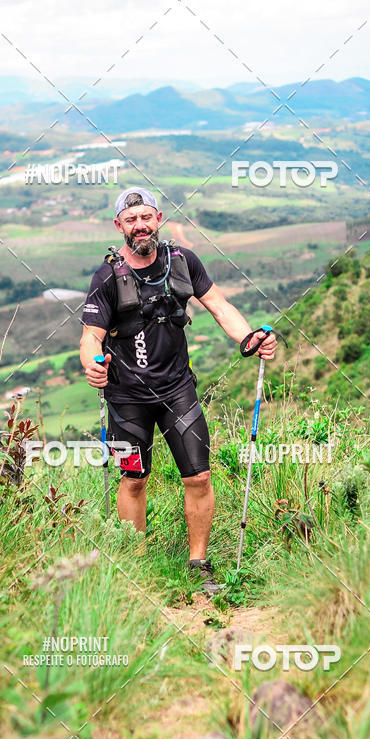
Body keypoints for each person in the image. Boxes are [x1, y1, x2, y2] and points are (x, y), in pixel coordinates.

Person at [80, 187, 276, 594]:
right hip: (126, 397)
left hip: (177, 391)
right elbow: (90, 336)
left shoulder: (183, 262)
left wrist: (249, 338)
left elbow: (219, 306)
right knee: (133, 478)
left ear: (158, 219)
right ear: (119, 226)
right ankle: (135, 566)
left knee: (199, 476)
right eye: (131, 220)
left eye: (145, 217)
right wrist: (91, 365)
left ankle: (198, 563)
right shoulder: (107, 277)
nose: (140, 225)